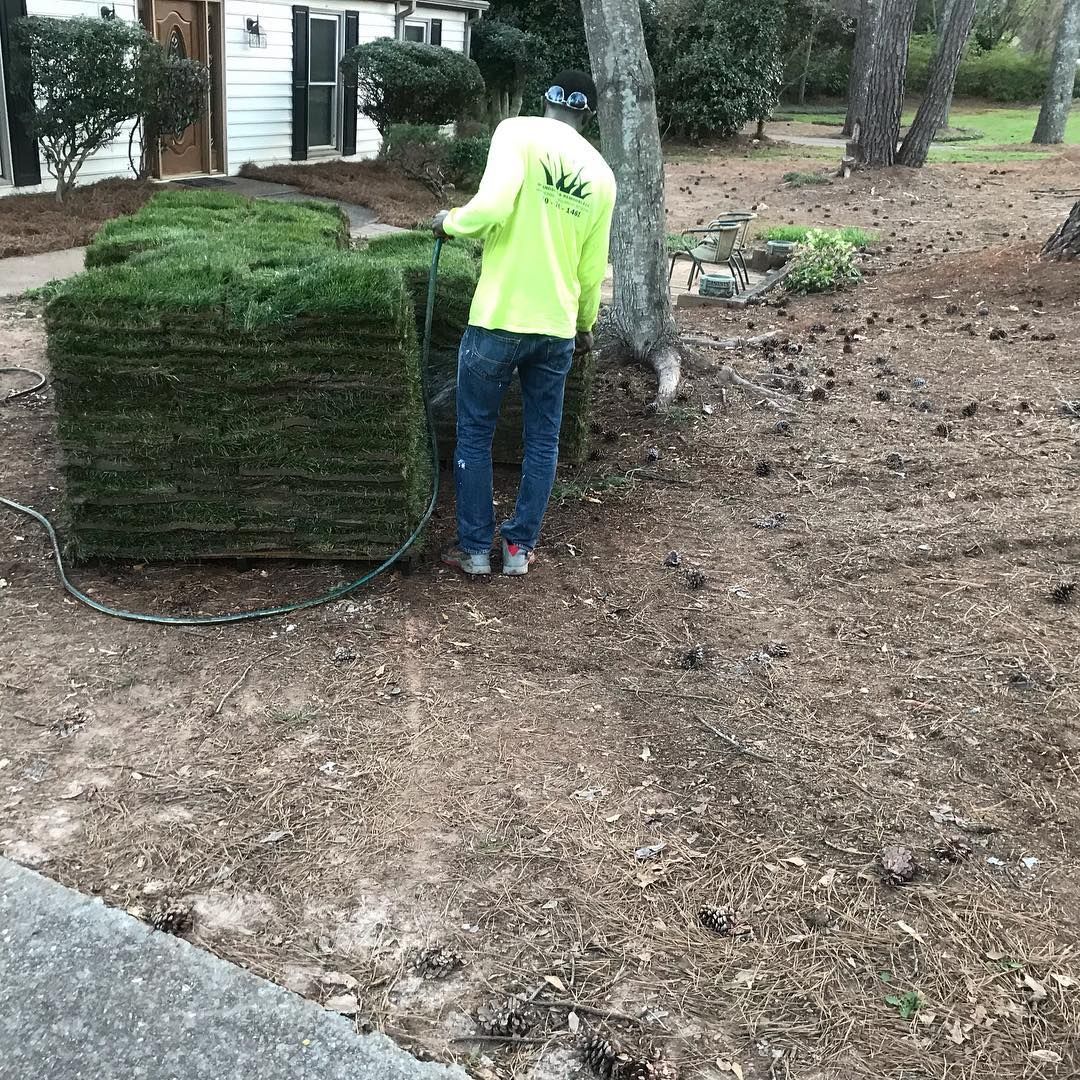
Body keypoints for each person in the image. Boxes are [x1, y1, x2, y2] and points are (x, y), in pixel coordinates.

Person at [432, 70, 616, 577]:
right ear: (587, 113)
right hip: (555, 328)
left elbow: (490, 208)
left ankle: (473, 550)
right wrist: (584, 323)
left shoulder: (516, 133)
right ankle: (517, 549)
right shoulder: (601, 174)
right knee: (542, 440)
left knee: (474, 434)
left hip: (498, 318)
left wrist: (450, 222)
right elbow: (591, 268)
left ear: (548, 100)